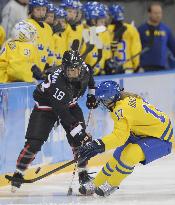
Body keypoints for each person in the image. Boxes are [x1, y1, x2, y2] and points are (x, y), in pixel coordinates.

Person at [10, 49, 98, 192]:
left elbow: (91, 81)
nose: (72, 73)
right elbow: (63, 113)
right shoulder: (59, 84)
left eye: (75, 70)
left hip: (69, 104)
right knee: (34, 142)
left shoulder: (86, 69)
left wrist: (91, 96)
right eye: (69, 70)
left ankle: (83, 174)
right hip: (47, 106)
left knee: (79, 142)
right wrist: (80, 133)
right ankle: (19, 172)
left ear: (81, 67)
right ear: (64, 69)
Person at [78, 80, 174, 197]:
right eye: (102, 100)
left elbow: (120, 137)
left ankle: (112, 184)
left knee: (130, 155)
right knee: (118, 156)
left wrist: (98, 144)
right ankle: (96, 183)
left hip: (161, 138)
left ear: (113, 98)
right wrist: (98, 145)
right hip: (143, 132)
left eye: (106, 100)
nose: (103, 103)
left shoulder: (121, 109)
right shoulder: (124, 100)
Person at [138, 2, 175, 72]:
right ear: (149, 14)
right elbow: (136, 48)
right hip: (145, 67)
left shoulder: (166, 29)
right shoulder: (141, 29)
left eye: (160, 13)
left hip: (162, 67)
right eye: (155, 13)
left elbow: (173, 47)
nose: (158, 15)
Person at [106, 4, 142, 74]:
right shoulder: (131, 29)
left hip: (111, 69)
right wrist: (136, 65)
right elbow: (136, 50)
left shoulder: (105, 30)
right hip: (128, 68)